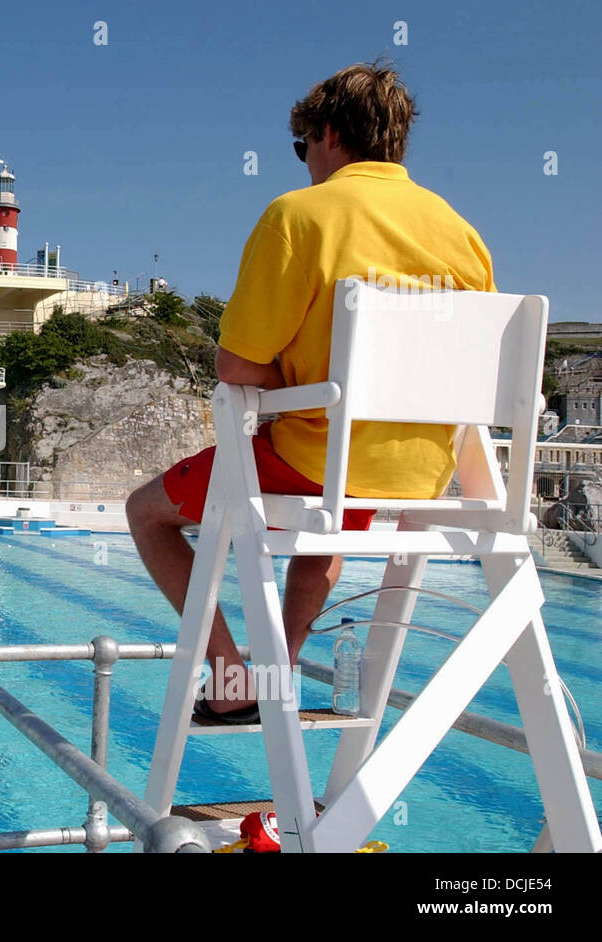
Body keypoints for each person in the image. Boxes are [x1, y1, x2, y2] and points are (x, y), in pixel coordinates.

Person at [126, 61, 495, 722]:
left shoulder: (300, 216)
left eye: (303, 148)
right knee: (335, 515)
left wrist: (292, 382)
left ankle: (231, 671)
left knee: (145, 512)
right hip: (419, 473)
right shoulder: (461, 232)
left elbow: (236, 363)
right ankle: (282, 666)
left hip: (317, 462)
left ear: (328, 133)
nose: (304, 164)